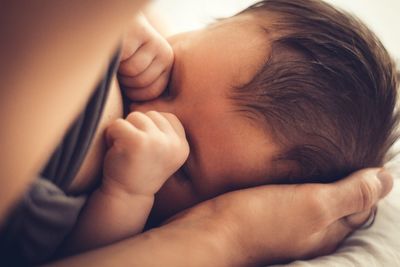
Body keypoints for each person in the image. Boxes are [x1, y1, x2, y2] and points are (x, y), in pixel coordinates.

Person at [0, 0, 394, 266]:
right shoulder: (146, 31)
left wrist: (126, 192)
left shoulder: (124, 210)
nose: (142, 115)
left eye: (182, 164)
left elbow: (85, 254)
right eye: (172, 78)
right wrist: (121, 26)